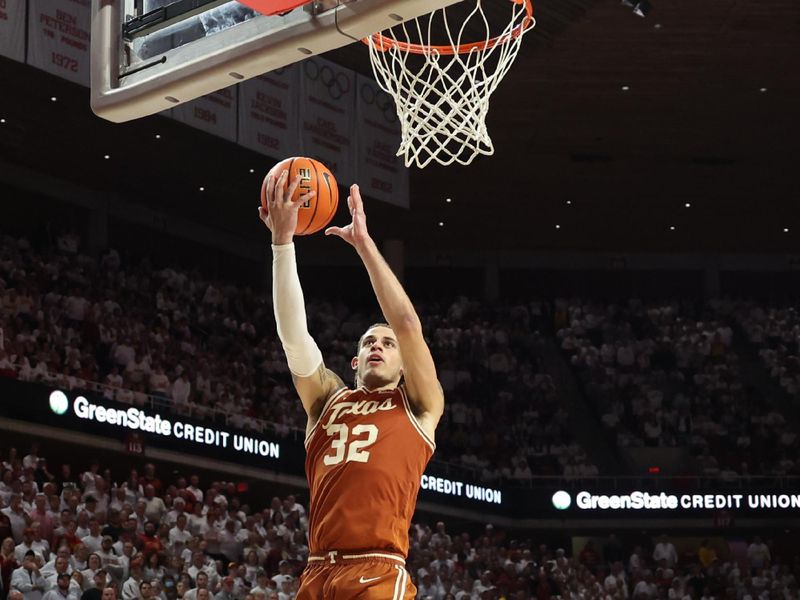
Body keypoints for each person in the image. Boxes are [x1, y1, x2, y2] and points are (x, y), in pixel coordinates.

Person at [260, 175, 444, 600]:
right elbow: (294, 338)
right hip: (317, 572)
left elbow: (408, 325)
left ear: (403, 366)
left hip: (377, 570)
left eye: (387, 344)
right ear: (355, 362)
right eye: (368, 342)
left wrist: (364, 246)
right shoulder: (327, 400)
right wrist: (283, 243)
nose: (378, 345)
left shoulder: (418, 404)